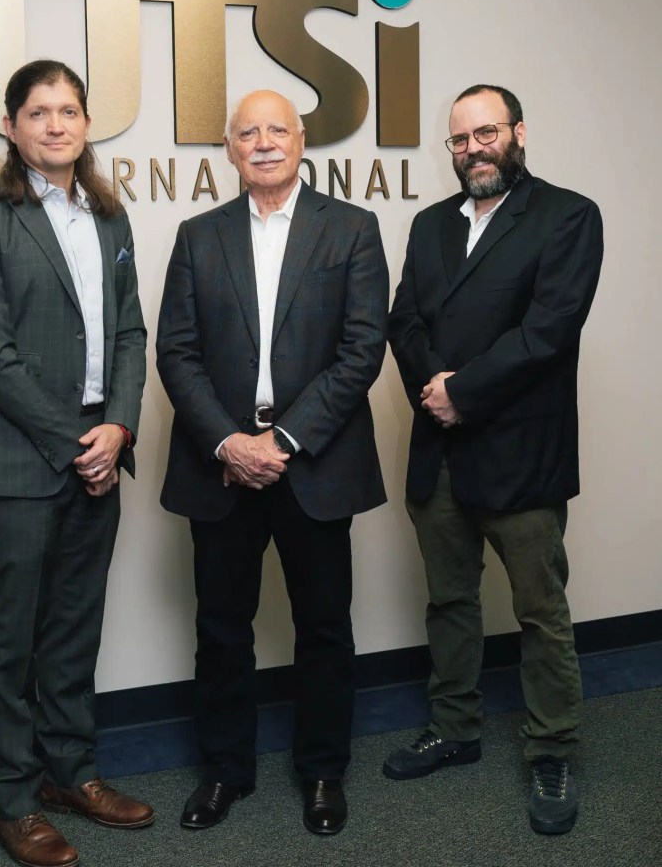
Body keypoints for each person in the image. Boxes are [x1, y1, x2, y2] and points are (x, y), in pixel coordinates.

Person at [156, 90, 388, 835]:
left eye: (276, 130)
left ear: (301, 140)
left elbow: (361, 350)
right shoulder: (197, 235)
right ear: (228, 148)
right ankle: (225, 772)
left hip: (312, 463)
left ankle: (322, 772)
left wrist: (281, 443)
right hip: (219, 462)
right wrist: (229, 441)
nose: (262, 142)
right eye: (247, 132)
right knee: (222, 627)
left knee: (323, 628)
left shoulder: (351, 229)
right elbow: (176, 352)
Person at [0, 60, 152, 867]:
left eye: (69, 111)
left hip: (100, 452)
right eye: (39, 112)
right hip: (15, 465)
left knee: (73, 630)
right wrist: (79, 443)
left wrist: (120, 429)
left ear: (87, 124)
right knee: (15, 642)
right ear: (11, 126)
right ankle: (15, 800)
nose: (56, 125)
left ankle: (72, 773)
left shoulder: (108, 217)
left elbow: (130, 333)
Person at [384, 84, 603, 835]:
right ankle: (455, 727)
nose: (472, 149)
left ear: (517, 133)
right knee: (449, 601)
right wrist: (434, 386)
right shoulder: (427, 224)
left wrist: (463, 391)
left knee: (539, 614)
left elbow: (548, 331)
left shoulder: (567, 216)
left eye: (485, 133)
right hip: (439, 450)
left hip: (519, 453)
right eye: (458, 139)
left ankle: (551, 748)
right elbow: (402, 316)